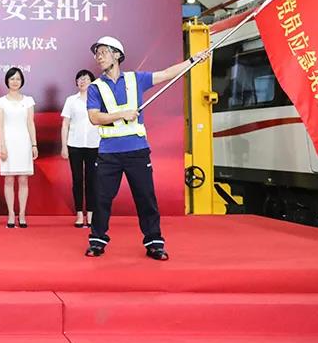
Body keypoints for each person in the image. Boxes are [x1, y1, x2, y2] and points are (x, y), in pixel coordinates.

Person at [84, 35, 208, 260]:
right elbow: (94, 117)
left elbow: (166, 74)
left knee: (145, 198)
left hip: (137, 151)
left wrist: (193, 60)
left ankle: (154, 243)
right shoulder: (95, 87)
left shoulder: (135, 79)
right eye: (97, 54)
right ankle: (97, 241)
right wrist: (122, 114)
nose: (98, 57)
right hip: (108, 154)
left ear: (117, 55)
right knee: (101, 199)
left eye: (103, 52)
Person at [0, 67, 37, 228]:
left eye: (18, 78)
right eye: (12, 78)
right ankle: (11, 213)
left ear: (22, 81)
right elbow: (0, 126)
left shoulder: (28, 101)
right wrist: (2, 145)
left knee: (24, 179)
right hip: (8, 143)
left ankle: (22, 214)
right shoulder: (0, 102)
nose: (15, 81)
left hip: (24, 142)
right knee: (9, 179)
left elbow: (30, 123)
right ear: (7, 81)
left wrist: (34, 144)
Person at [60, 69, 101, 228]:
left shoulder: (98, 99)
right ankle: (79, 214)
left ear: (92, 82)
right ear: (76, 82)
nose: (82, 81)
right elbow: (65, 124)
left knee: (92, 180)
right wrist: (64, 146)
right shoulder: (71, 100)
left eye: (86, 78)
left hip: (94, 145)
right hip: (74, 145)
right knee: (77, 180)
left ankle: (90, 214)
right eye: (80, 79)